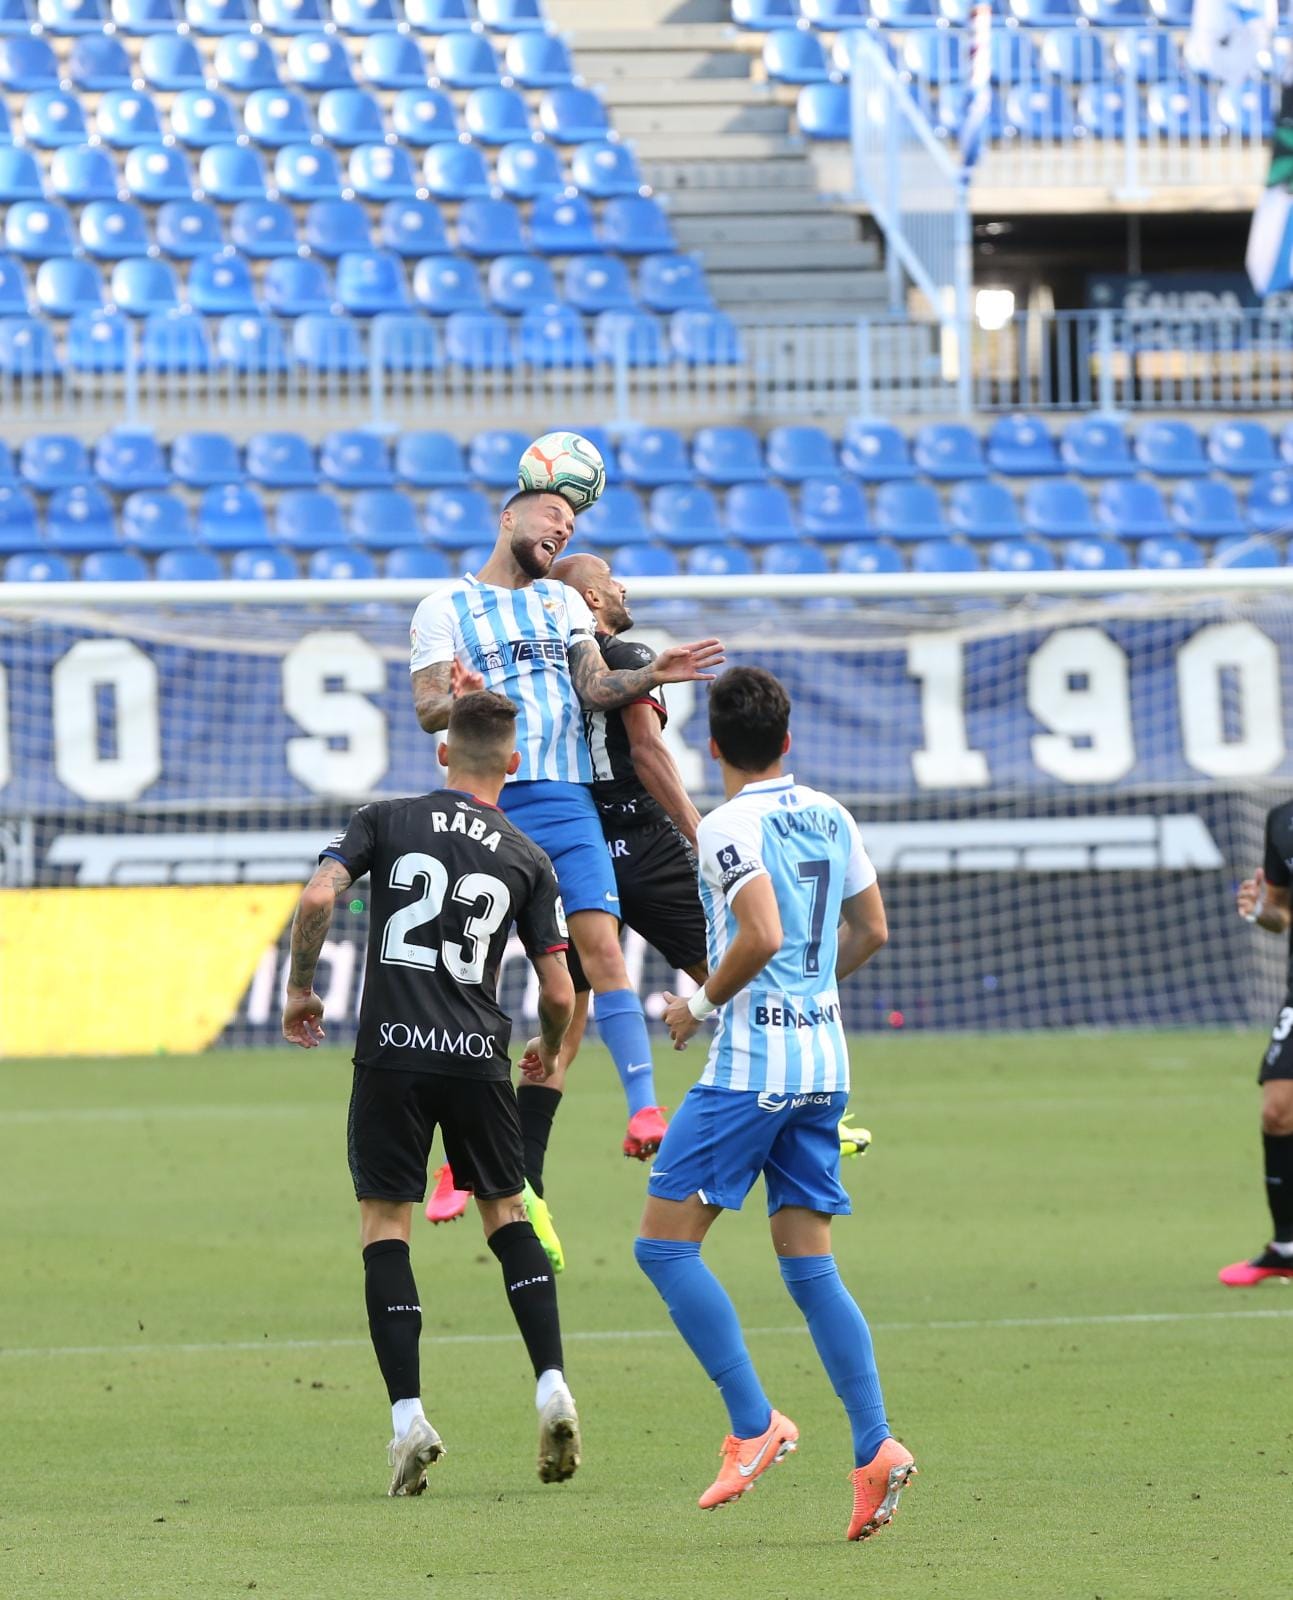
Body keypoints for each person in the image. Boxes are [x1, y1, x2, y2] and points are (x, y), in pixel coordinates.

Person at [632, 666, 914, 1544]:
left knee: (662, 1248)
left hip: (750, 1065)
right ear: (786, 741)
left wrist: (696, 1007)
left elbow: (759, 931)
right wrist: (806, 993)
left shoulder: (726, 824)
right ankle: (873, 1448)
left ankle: (754, 1425)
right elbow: (870, 930)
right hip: (824, 1061)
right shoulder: (831, 813)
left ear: (711, 746)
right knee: (808, 1265)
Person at [281, 690, 582, 1496]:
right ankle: (551, 1383)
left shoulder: (385, 817)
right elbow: (560, 990)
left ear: (442, 752)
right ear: (512, 764)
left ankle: (408, 1417)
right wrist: (547, 1051)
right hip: (479, 1055)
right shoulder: (527, 855)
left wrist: (300, 991)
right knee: (507, 1215)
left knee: (386, 1225)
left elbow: (317, 898)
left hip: (392, 1052)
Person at [408, 489, 723, 1201]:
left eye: (570, 523)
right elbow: (426, 706)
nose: (562, 525)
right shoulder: (442, 609)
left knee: (598, 958)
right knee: (475, 988)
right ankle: (460, 1158)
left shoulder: (560, 607)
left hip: (566, 800)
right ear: (507, 515)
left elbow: (594, 685)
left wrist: (649, 674)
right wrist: (460, 700)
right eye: (552, 515)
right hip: (486, 802)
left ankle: (644, 1108)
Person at [1220, 804, 1293, 1286]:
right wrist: (1260, 910)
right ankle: (1286, 1247)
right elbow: (1283, 912)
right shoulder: (1282, 820)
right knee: (1278, 1109)